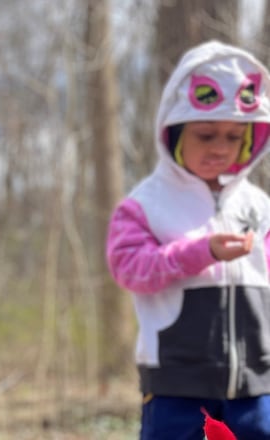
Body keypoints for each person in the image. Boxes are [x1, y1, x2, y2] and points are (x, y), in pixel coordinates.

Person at [106, 40, 270, 439]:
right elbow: (129, 269)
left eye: (234, 138)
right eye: (206, 135)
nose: (220, 148)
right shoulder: (145, 204)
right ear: (175, 134)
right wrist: (202, 252)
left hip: (257, 384)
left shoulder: (258, 204)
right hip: (177, 387)